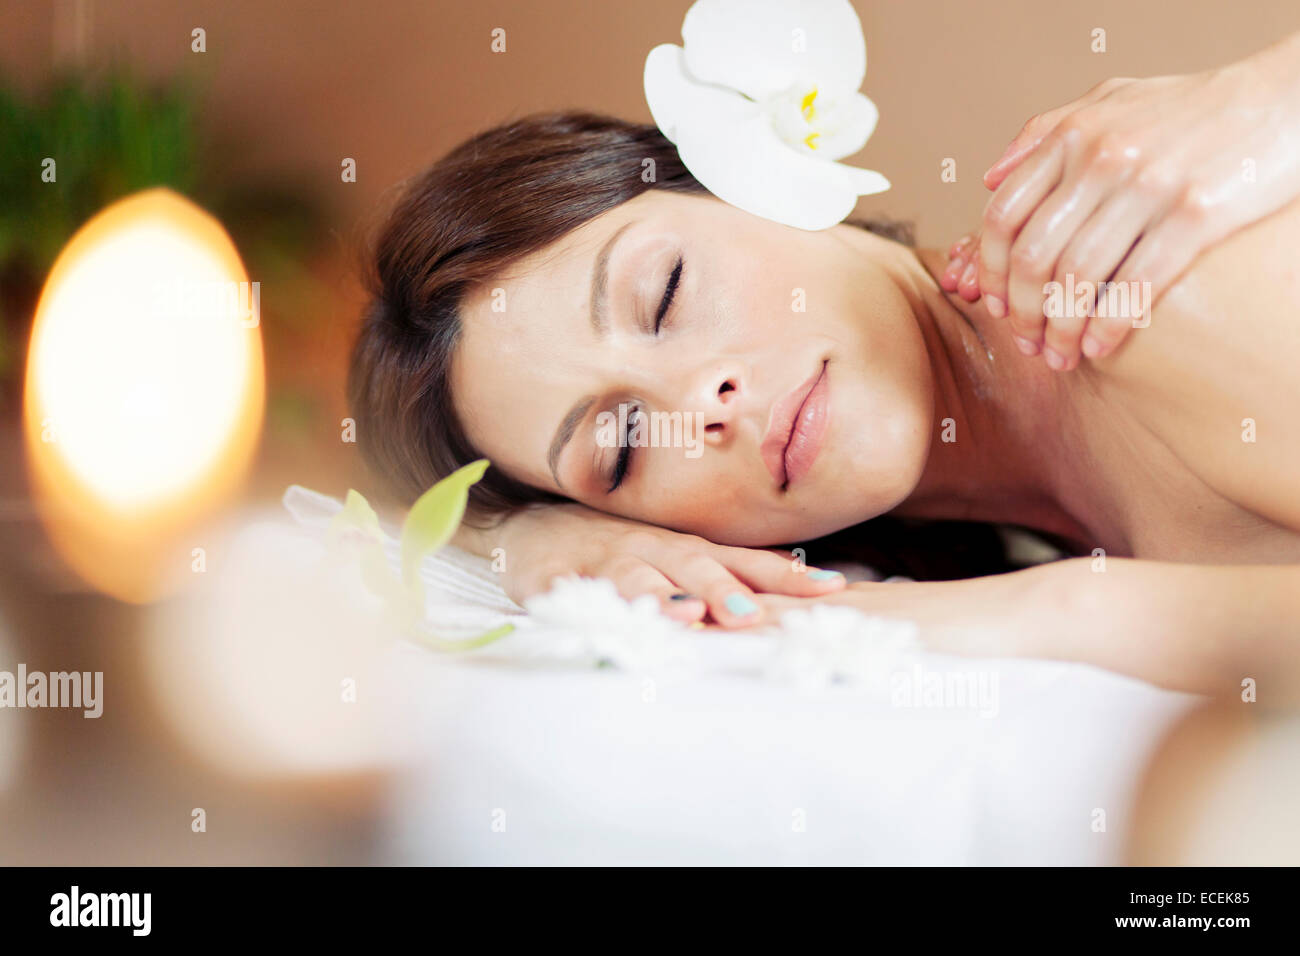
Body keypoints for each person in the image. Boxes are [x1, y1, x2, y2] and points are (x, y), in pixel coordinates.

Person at [348, 32, 1300, 696]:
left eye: (667, 293)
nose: (701, 405)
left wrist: (1066, 612)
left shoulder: (1152, 294)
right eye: (626, 444)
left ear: (756, 180)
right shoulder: (1025, 515)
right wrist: (524, 543)